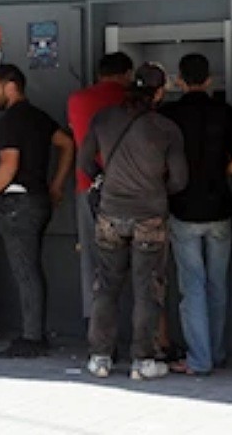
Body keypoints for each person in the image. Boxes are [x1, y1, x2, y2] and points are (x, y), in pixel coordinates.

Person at [79, 63, 188, 380]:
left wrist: (106, 181)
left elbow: (84, 161)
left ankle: (100, 357)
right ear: (159, 92)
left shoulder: (103, 119)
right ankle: (143, 360)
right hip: (149, 215)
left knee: (106, 286)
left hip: (110, 214)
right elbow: (179, 180)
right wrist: (155, 190)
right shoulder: (166, 129)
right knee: (147, 289)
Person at [160, 53, 232, 375]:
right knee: (217, 285)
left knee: (192, 287)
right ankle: (217, 352)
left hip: (183, 209)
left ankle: (199, 359)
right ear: (209, 80)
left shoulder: (168, 115)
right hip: (219, 208)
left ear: (178, 80)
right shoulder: (225, 112)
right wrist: (217, 174)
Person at [0, 64, 74, 358]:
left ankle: (32, 337)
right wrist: (57, 185)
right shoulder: (38, 116)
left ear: (11, 86)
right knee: (31, 268)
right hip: (39, 199)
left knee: (25, 271)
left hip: (18, 202)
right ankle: (34, 333)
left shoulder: (10, 121)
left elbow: (9, 165)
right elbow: (67, 144)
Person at [67, 52, 133, 328]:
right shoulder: (132, 101)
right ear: (127, 74)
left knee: (93, 261)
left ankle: (98, 328)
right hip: (130, 188)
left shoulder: (76, 100)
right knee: (136, 260)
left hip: (88, 186)